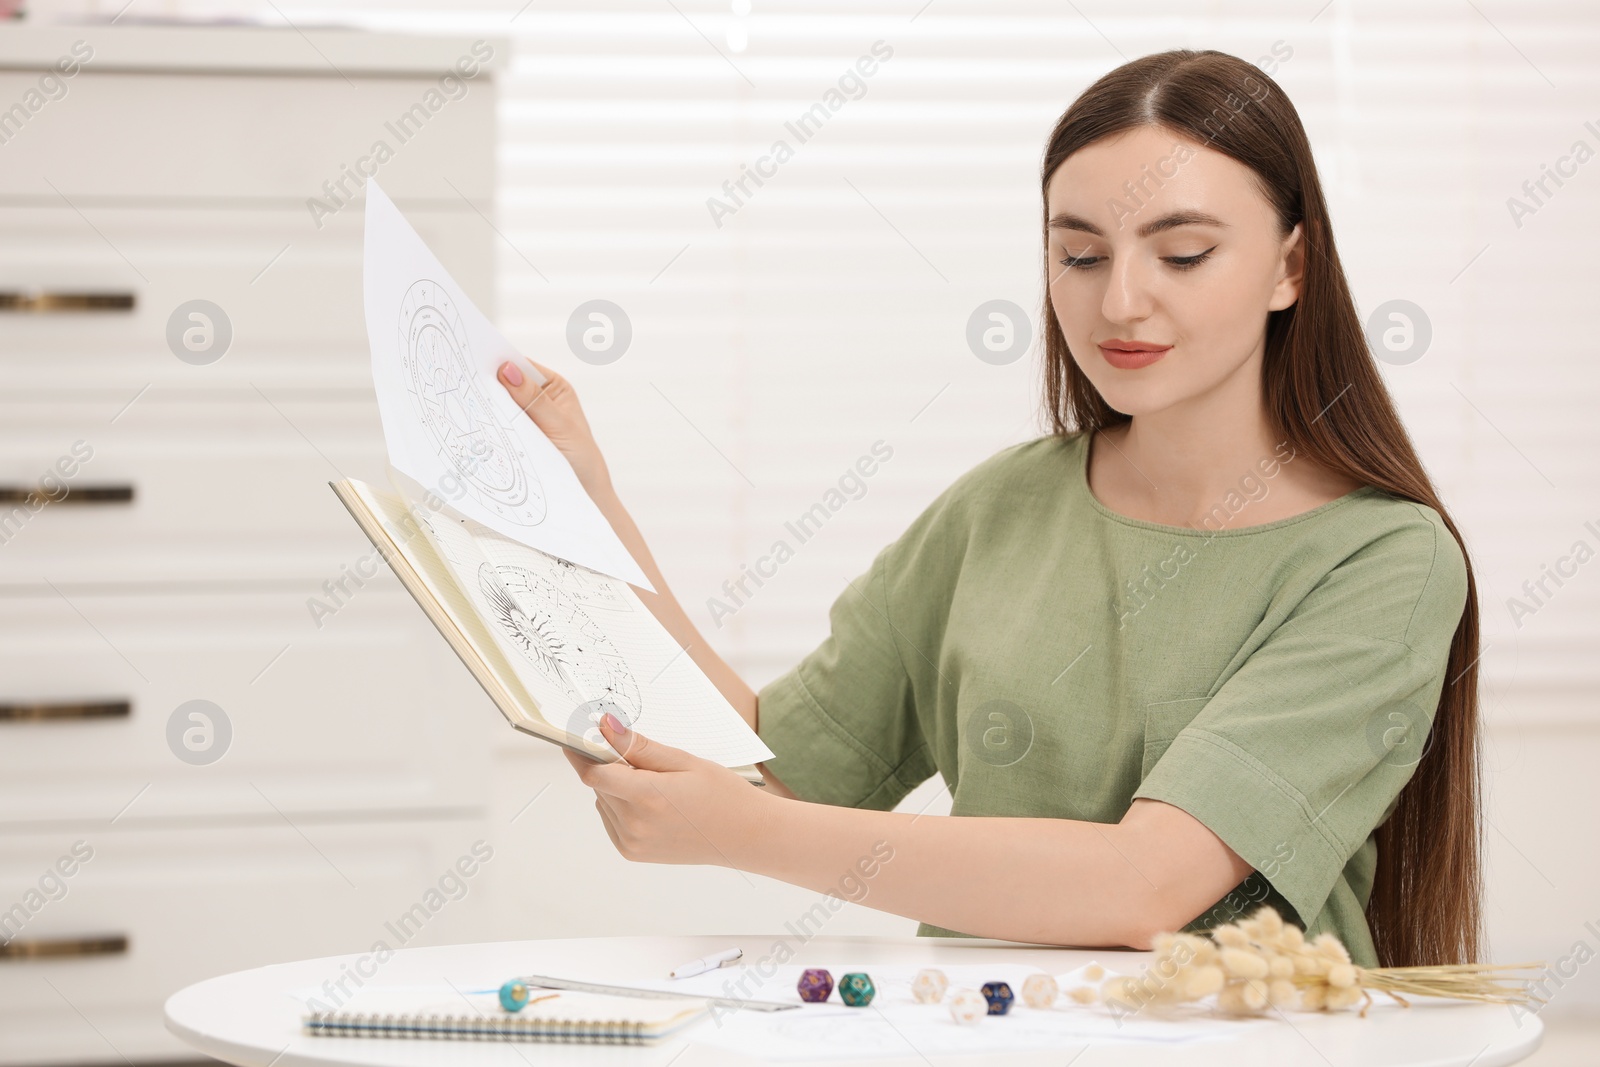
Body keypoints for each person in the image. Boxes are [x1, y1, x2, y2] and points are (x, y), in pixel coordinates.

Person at [495, 49, 1481, 970]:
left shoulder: (1383, 561)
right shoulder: (1002, 506)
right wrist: (588, 502)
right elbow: (782, 770)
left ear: (1290, 267)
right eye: (1080, 256)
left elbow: (1146, 884)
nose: (1120, 302)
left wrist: (739, 832)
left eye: (1181, 253)